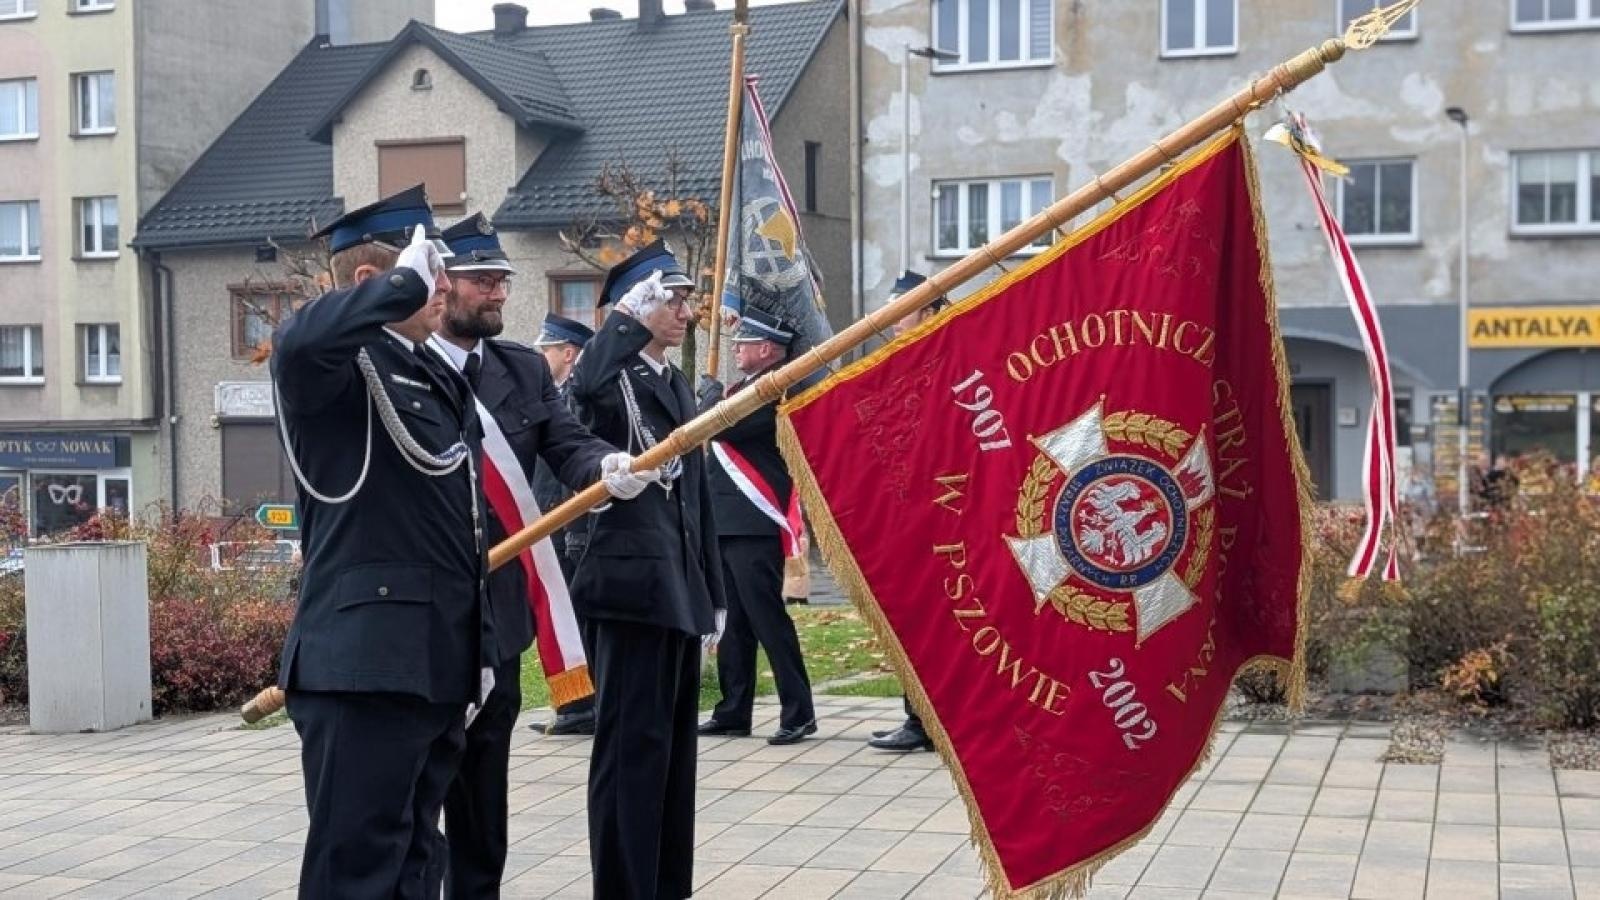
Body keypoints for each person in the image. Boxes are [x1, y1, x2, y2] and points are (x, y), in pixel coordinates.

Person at [270, 185, 481, 898]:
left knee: (417, 864)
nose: (445, 288)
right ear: (373, 282)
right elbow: (294, 341)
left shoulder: (426, 371)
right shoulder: (334, 367)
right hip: (361, 666)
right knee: (356, 872)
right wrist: (398, 287)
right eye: (433, 274)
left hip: (430, 661)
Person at [428, 213, 643, 898]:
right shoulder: (399, 365)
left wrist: (606, 466)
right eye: (482, 280)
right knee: (408, 803)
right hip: (421, 619)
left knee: (482, 804)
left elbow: (568, 444)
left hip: (497, 620)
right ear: (439, 284)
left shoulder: (522, 368)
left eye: (502, 280)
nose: (498, 292)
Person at [567, 240, 726, 900]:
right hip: (630, 588)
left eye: (688, 298)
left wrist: (713, 588)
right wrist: (622, 322)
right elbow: (581, 388)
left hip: (677, 586)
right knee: (630, 751)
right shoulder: (616, 377)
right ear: (639, 304)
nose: (685, 309)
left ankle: (665, 884)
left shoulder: (673, 380)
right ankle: (626, 887)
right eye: (672, 297)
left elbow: (697, 492)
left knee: (670, 755)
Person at [696, 308, 818, 745]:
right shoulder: (745, 387)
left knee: (768, 619)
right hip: (728, 520)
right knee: (734, 623)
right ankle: (733, 709)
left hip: (753, 518)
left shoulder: (775, 388)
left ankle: (798, 711)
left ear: (767, 349)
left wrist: (708, 401)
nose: (736, 348)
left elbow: (727, 425)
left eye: (744, 343)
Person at [868, 270, 947, 754]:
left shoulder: (941, 359)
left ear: (931, 312)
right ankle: (919, 718)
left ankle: (929, 722)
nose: (894, 320)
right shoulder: (900, 362)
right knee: (913, 618)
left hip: (941, 510)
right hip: (906, 509)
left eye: (904, 311)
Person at [527, 312, 602, 737]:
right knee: (560, 615)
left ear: (567, 353)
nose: (541, 356)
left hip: (566, 520)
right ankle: (574, 705)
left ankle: (582, 707)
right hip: (549, 519)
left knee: (572, 615)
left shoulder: (573, 397)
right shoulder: (553, 393)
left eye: (547, 349)